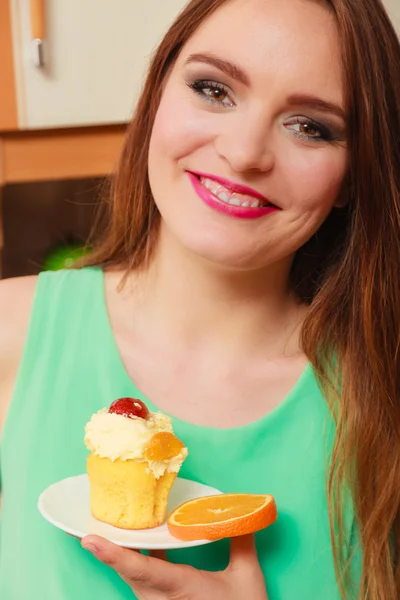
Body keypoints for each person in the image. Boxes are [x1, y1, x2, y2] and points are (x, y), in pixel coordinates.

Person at [1, 0, 399, 598]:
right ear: (156, 96)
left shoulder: (384, 385)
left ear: (354, 175)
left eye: (310, 127)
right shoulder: (10, 332)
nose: (244, 154)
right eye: (214, 89)